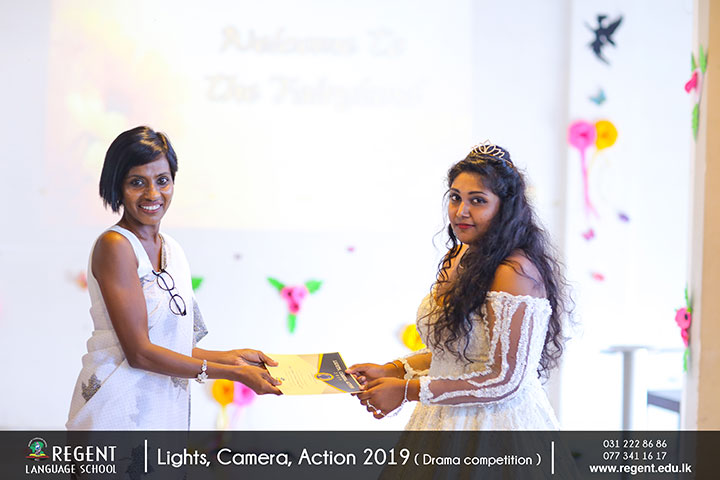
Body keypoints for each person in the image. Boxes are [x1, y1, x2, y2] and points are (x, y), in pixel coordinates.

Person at [67, 126, 281, 430]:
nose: (153, 194)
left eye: (162, 180)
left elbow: (170, 347)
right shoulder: (115, 246)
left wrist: (233, 359)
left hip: (161, 407)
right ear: (117, 186)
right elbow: (140, 353)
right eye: (137, 182)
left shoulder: (173, 249)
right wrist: (234, 374)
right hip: (117, 411)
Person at [347, 142, 569, 430]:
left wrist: (407, 391)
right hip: (440, 421)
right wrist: (393, 370)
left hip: (495, 427)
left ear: (505, 208)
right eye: (455, 198)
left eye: (477, 200)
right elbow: (455, 353)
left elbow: (505, 381)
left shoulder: (514, 271)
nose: (461, 211)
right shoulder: (459, 255)